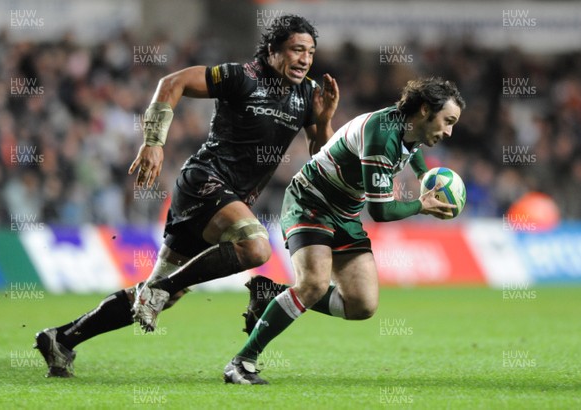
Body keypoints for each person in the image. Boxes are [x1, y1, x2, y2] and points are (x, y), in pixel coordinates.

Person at [34, 14, 339, 377]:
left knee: (159, 294)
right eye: (296, 50)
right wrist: (153, 142)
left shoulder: (306, 94)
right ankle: (162, 289)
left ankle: (62, 339)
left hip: (229, 200)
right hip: (203, 182)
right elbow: (172, 82)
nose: (305, 59)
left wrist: (323, 121)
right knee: (256, 247)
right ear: (273, 51)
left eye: (310, 52)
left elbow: (321, 155)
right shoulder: (241, 77)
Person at [223, 77, 466, 384]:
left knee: (362, 304)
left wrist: (424, 172)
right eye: (447, 121)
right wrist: (421, 205)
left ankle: (272, 295)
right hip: (311, 201)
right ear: (423, 110)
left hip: (346, 212)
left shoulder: (410, 126)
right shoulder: (381, 136)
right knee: (312, 285)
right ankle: (242, 362)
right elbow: (380, 210)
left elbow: (412, 147)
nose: (448, 132)